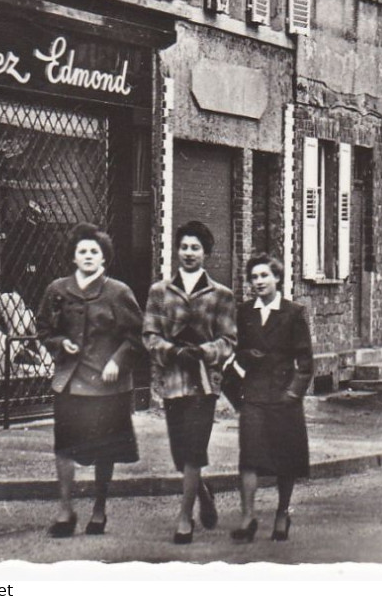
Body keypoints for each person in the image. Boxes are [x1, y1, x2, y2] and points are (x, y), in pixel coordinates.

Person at [37, 225, 143, 538]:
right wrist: (59, 344)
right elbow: (44, 328)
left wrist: (117, 361)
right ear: (73, 256)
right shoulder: (57, 289)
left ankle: (99, 510)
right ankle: (65, 510)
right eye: (82, 251)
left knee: (105, 449)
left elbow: (136, 337)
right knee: (64, 446)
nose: (87, 257)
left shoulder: (118, 292)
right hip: (70, 382)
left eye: (94, 252)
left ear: (104, 258)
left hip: (107, 385)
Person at [143, 221, 237, 544]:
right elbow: (149, 335)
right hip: (172, 382)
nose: (189, 253)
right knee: (181, 453)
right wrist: (170, 351)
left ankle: (185, 517)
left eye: (195, 248)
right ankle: (203, 492)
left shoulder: (221, 295)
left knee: (195, 449)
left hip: (204, 384)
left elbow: (228, 340)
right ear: (177, 251)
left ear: (206, 253)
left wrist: (204, 351)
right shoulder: (159, 292)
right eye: (184, 247)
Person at [228, 253, 313, 543]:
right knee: (249, 457)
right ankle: (248, 516)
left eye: (264, 276)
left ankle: (282, 512)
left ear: (277, 278)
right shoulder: (245, 312)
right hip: (253, 394)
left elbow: (305, 361)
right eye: (253, 277)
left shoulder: (293, 312)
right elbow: (235, 348)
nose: (259, 282)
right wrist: (244, 356)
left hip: (283, 396)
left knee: (285, 459)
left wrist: (293, 392)